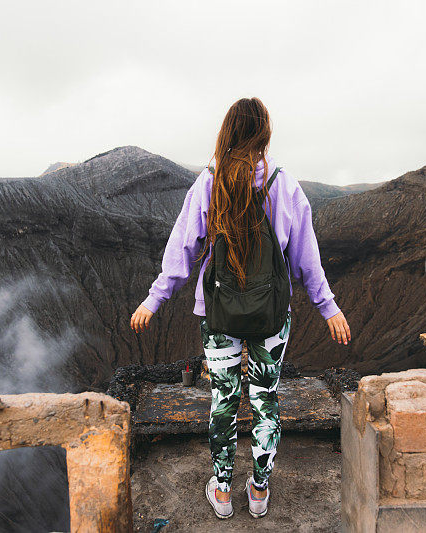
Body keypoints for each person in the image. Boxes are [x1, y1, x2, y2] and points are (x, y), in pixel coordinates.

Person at [130, 97, 350, 519]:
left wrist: (153, 300)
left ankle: (224, 491)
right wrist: (328, 308)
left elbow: (183, 249)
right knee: (266, 399)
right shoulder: (284, 185)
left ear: (227, 132)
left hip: (219, 315)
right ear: (265, 134)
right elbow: (306, 259)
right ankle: (260, 490)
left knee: (224, 400)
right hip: (271, 315)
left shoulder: (209, 184)